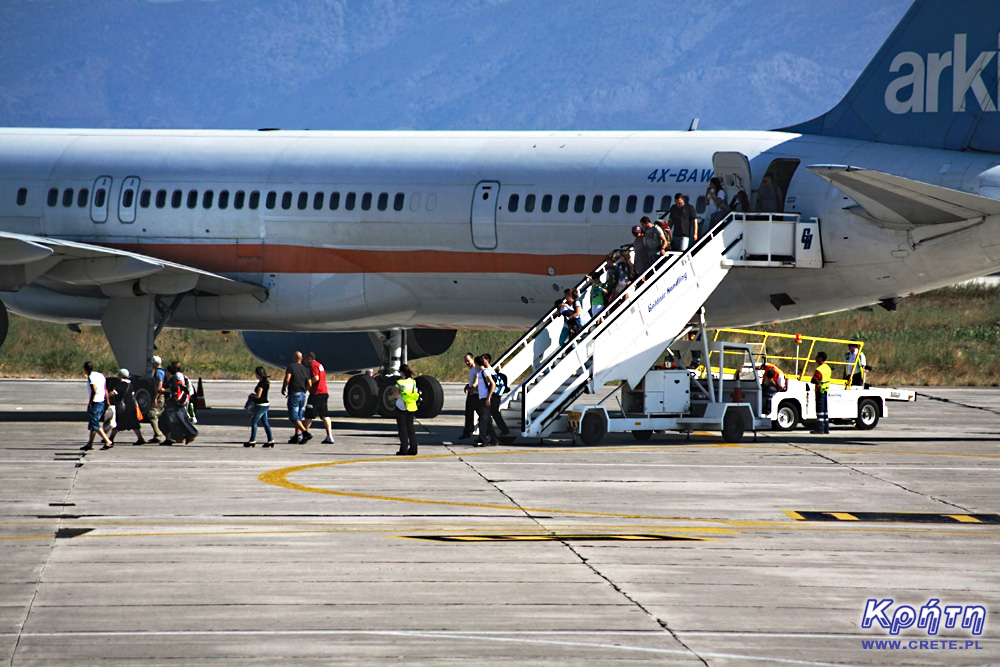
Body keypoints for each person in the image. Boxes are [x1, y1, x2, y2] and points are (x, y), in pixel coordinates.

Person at [158, 362, 198, 445]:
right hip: (173, 403)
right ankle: (171, 438)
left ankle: (191, 433)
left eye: (166, 371)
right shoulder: (176, 377)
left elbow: (175, 389)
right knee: (164, 421)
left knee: (179, 420)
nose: (165, 373)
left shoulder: (174, 378)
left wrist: (163, 390)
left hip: (174, 403)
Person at [302, 351, 334, 444]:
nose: (304, 361)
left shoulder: (313, 366)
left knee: (309, 415)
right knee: (325, 415)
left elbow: (316, 378)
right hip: (324, 392)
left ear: (309, 359)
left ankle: (304, 434)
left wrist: (307, 386)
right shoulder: (320, 365)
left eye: (305, 358)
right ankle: (329, 436)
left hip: (316, 394)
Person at [281, 350, 311, 444]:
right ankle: (297, 436)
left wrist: (284, 387)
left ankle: (305, 433)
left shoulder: (291, 367)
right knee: (299, 416)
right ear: (301, 359)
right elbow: (310, 383)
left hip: (294, 394)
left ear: (294, 358)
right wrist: (305, 390)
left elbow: (287, 379)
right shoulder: (306, 369)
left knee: (293, 417)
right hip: (302, 394)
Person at [82, 361, 114, 451]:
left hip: (95, 402)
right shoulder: (100, 375)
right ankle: (90, 443)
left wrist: (90, 402)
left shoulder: (91, 377)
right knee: (93, 423)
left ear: (85, 369)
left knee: (95, 424)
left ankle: (107, 441)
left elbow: (94, 391)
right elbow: (105, 389)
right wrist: (107, 401)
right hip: (102, 401)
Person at [109, 368, 145, 445]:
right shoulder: (130, 384)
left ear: (121, 375)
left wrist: (105, 395)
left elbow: (114, 393)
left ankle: (110, 439)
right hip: (130, 406)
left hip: (123, 407)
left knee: (118, 423)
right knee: (134, 423)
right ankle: (140, 438)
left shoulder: (122, 384)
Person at [391, 364, 420, 456]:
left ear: (402, 372)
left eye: (399, 372)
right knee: (411, 429)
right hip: (411, 407)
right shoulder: (413, 382)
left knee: (403, 430)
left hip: (401, 407)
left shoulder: (400, 383)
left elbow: (395, 395)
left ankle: (403, 449)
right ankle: (413, 449)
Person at [245, 366, 274, 448]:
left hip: (261, 406)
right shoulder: (266, 383)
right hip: (266, 405)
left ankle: (252, 440)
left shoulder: (261, 384)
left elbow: (258, 396)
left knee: (254, 421)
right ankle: (270, 440)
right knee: (265, 423)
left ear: (259, 374)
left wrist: (252, 395)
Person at [810, 351, 832, 434]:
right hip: (825, 390)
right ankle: (826, 429)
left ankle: (820, 429)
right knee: (825, 411)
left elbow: (813, 380)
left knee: (819, 411)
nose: (816, 358)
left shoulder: (819, 370)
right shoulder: (828, 368)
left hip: (820, 390)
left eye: (817, 357)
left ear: (820, 358)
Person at [459, 352, 479, 440]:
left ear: (472, 359)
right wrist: (468, 386)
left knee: (480, 414)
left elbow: (477, 379)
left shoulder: (475, 368)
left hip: (475, 394)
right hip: (471, 393)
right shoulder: (471, 369)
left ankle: (471, 430)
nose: (467, 363)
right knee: (468, 413)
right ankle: (467, 431)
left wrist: (472, 388)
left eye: (468, 361)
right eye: (465, 362)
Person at [146, 355, 165, 444]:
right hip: (162, 395)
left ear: (153, 364)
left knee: (152, 414)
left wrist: (156, 397)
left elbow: (160, 385)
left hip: (160, 395)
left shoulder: (158, 373)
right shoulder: (163, 371)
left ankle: (158, 435)